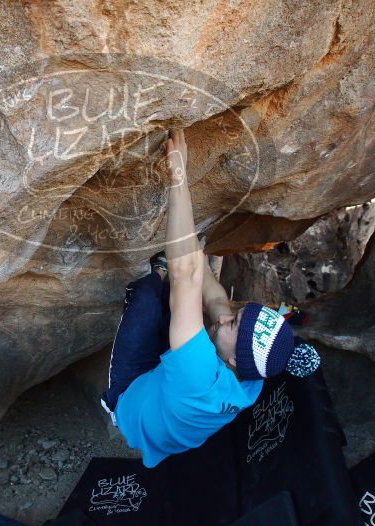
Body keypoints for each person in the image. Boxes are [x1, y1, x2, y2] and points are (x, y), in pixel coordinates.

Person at [100, 129, 321, 468]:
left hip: (132, 400)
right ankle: (168, 283)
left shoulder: (198, 374)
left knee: (149, 296)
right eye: (237, 314)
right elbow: (215, 296)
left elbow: (187, 276)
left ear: (233, 363)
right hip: (169, 391)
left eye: (232, 323)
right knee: (182, 307)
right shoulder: (251, 374)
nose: (223, 316)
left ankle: (111, 402)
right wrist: (196, 246)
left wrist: (178, 174)